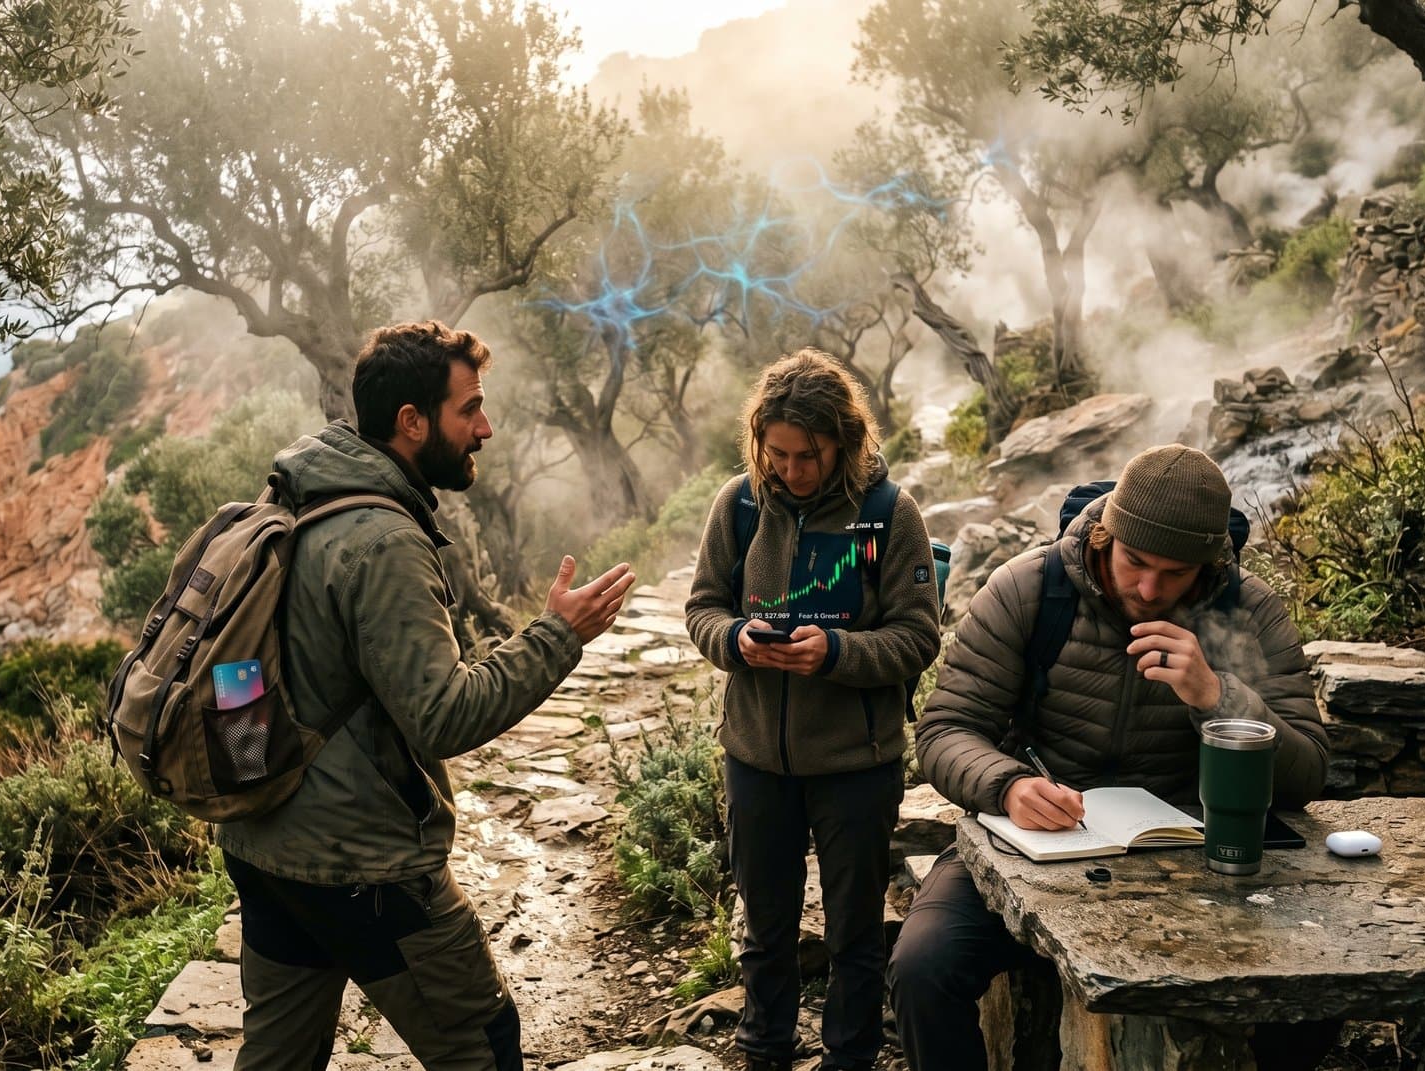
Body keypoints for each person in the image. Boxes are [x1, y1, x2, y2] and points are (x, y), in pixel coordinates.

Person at [218, 320, 637, 1071]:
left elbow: (238, 673)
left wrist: (260, 785)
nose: (485, 426)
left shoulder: (293, 495)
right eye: (469, 408)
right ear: (411, 422)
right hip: (366, 868)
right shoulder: (381, 539)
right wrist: (557, 635)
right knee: (483, 1045)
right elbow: (442, 714)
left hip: (265, 850)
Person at [887, 444, 1331, 1071]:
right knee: (922, 967)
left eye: (1174, 574)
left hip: (1188, 844)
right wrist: (1009, 786)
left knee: (1315, 986)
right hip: (1032, 839)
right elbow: (945, 730)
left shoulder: (1246, 610)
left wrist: (1217, 695)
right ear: (1105, 533)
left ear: (1207, 564)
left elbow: (1307, 769)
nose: (1149, 589)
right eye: (1136, 562)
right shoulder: (1029, 589)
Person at [685, 349, 943, 1071]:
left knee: (855, 933)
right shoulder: (738, 505)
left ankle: (849, 1057)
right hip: (756, 760)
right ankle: (764, 1049)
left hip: (856, 766)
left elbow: (919, 635)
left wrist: (835, 653)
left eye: (808, 455)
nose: (791, 470)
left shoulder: (891, 515)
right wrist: (735, 639)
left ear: (845, 442)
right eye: (777, 454)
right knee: (765, 928)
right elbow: (701, 607)